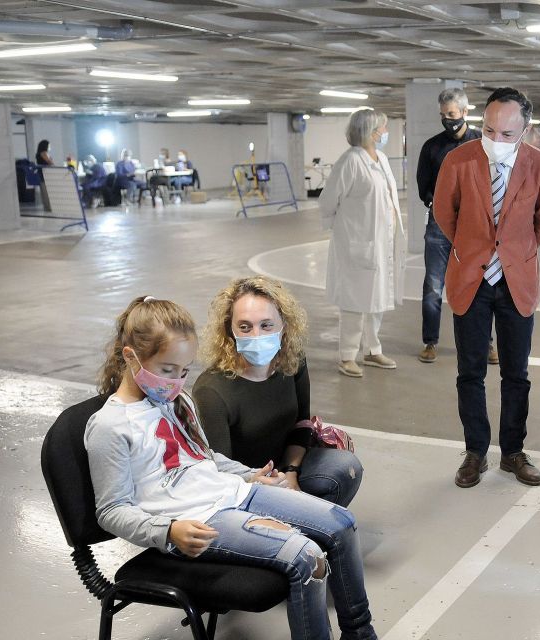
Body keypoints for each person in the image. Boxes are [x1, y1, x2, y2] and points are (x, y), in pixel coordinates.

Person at [85, 296, 377, 640]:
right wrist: (168, 531)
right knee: (307, 556)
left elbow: (204, 456)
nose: (176, 382)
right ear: (131, 356)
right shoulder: (109, 426)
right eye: (167, 370)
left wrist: (248, 474)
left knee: (342, 524)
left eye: (184, 371)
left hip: (233, 492)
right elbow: (111, 510)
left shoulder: (176, 400)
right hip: (195, 519)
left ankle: (360, 634)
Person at [433, 87, 540, 488]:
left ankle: (512, 452)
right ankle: (475, 451)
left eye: (507, 134)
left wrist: (512, 252)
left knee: (516, 373)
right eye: (489, 130)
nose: (496, 139)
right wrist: (475, 248)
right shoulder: (458, 160)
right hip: (471, 278)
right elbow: (445, 214)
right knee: (469, 372)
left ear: (525, 129)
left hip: (516, 280)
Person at [194, 276, 363, 507]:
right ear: (229, 331)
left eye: (266, 325)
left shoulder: (292, 361)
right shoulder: (211, 391)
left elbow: (302, 424)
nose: (257, 335)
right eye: (245, 327)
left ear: (284, 326)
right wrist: (265, 484)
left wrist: (291, 472)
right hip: (247, 484)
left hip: (287, 468)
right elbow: (220, 470)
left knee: (345, 467)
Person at [320, 109, 406, 378]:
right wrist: (344, 230)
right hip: (357, 245)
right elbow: (327, 201)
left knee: (377, 299)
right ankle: (347, 356)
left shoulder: (381, 158)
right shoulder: (350, 161)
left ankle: (372, 350)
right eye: (382, 128)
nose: (385, 132)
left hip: (380, 243)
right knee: (355, 303)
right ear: (370, 131)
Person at [415, 87, 496, 365]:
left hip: (476, 227)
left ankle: (486, 343)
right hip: (439, 225)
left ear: (465, 112)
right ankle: (430, 342)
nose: (447, 120)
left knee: (479, 284)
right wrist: (441, 206)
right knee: (434, 284)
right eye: (443, 115)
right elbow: (423, 187)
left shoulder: (484, 144)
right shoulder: (432, 147)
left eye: (451, 114)